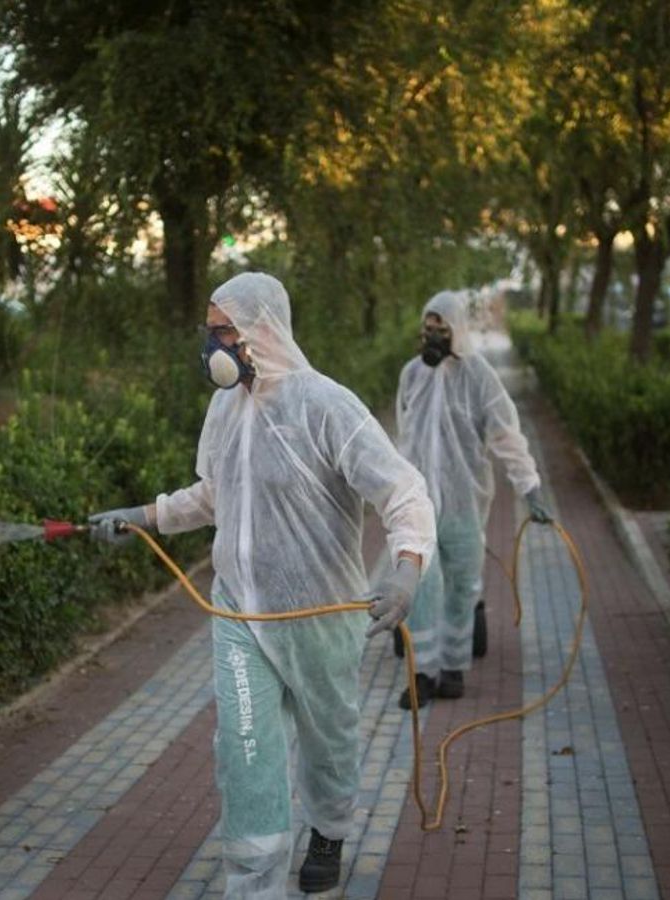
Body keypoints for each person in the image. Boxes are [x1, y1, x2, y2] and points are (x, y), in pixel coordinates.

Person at [88, 272, 436, 898]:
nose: (212, 347)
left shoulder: (326, 406)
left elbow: (402, 490)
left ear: (261, 330)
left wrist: (406, 569)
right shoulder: (225, 407)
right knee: (244, 744)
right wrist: (143, 516)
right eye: (210, 332)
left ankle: (328, 829)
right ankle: (255, 880)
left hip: (320, 611)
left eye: (224, 332)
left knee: (329, 737)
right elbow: (213, 496)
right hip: (240, 613)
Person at [392, 289, 553, 709]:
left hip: (465, 502)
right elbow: (403, 437)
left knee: (462, 587)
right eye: (428, 328)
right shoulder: (412, 374)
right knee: (421, 586)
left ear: (458, 329)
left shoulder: (479, 376)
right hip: (419, 505)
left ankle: (452, 668)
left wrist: (530, 486)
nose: (432, 335)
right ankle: (421, 674)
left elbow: (506, 435)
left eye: (440, 328)